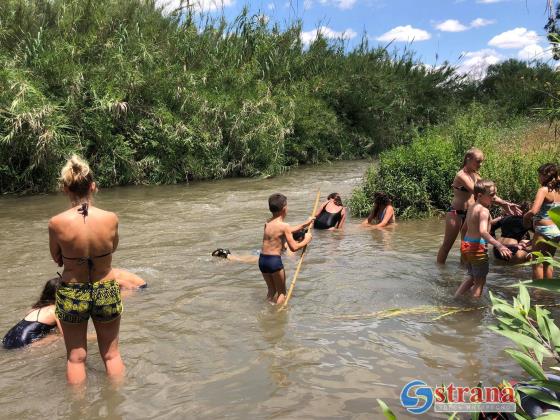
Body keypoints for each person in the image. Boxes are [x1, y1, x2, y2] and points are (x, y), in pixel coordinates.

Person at [48, 155, 123, 384]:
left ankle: (78, 412)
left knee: (76, 358)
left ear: (65, 188)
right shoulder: (111, 218)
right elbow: (113, 247)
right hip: (106, 288)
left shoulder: (56, 223)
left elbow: (56, 258)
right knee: (111, 355)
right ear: (93, 186)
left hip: (73, 290)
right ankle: (116, 407)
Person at [2, 269, 146, 349]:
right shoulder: (55, 311)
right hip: (24, 346)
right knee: (57, 338)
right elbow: (68, 337)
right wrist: (97, 337)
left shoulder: (34, 308)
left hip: (7, 340)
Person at [437, 148, 520, 264]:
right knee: (447, 245)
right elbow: (478, 192)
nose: (480, 164)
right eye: (478, 161)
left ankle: (464, 274)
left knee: (465, 248)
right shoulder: (461, 175)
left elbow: (488, 193)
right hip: (456, 213)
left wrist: (505, 203)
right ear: (468, 159)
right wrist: (502, 203)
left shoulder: (476, 175)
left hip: (470, 214)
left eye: (482, 161)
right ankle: (440, 275)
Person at [455, 180, 512, 298]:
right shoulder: (484, 210)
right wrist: (499, 245)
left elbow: (465, 227)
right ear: (480, 195)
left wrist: (464, 245)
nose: (494, 197)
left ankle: (456, 297)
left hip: (467, 246)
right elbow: (483, 231)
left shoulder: (471, 207)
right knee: (480, 282)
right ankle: (475, 309)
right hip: (477, 249)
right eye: (491, 195)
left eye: (495, 194)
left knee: (471, 276)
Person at [259, 193, 314, 305]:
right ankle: (277, 316)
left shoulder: (268, 222)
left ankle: (266, 310)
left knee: (271, 290)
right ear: (284, 209)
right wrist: (307, 240)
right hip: (274, 261)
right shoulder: (285, 226)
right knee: (282, 293)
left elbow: (284, 231)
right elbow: (294, 247)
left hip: (262, 260)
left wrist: (304, 224)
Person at [2, 278, 62, 349]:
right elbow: (64, 333)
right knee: (60, 336)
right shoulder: (55, 309)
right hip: (23, 342)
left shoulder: (36, 307)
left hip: (7, 338)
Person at [523, 163, 560, 279]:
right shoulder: (558, 190)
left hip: (543, 230)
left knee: (537, 262)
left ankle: (538, 295)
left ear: (545, 176)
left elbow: (534, 211)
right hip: (557, 230)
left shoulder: (543, 190)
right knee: (548, 261)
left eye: (539, 175)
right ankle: (547, 294)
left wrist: (525, 217)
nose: (538, 178)